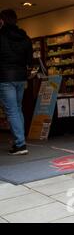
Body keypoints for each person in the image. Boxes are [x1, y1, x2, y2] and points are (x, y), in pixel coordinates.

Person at [0, 9, 33, 155]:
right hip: (21, 77)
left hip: (5, 77)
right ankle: (18, 142)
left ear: (2, 20)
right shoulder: (25, 37)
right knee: (18, 109)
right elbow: (30, 60)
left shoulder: (0, 36)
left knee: (12, 111)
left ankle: (20, 144)